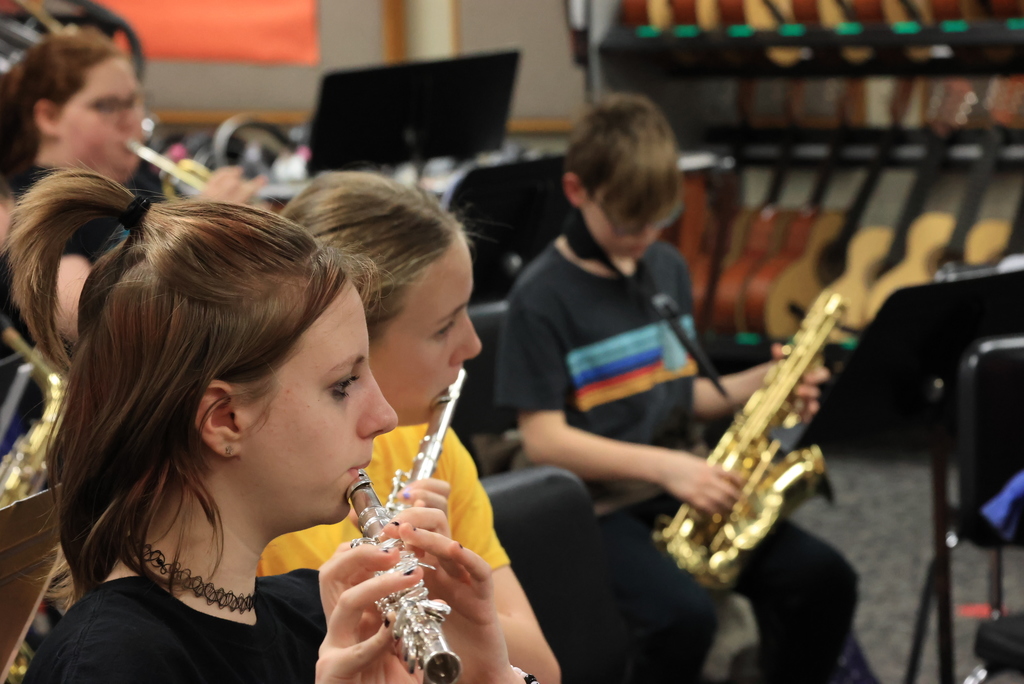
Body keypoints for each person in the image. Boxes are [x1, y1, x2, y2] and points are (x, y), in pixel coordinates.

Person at [10, 168, 527, 684]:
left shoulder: (321, 611)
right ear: (225, 419)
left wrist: (492, 674)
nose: (385, 417)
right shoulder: (110, 665)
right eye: (343, 385)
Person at [494, 93, 858, 684]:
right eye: (625, 221)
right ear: (576, 192)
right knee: (681, 619)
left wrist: (763, 384)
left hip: (679, 481)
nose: (642, 237)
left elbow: (683, 394)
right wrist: (669, 469)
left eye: (656, 221)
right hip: (599, 505)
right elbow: (544, 440)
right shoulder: (541, 297)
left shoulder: (664, 268)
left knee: (824, 577)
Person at [260, 171, 560, 684]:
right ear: (356, 340)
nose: (472, 346)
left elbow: (542, 670)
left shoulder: (428, 447)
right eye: (444, 326)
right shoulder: (267, 482)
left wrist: (436, 592)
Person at [0, 27, 263, 339]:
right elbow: (82, 318)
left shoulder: (141, 178)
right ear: (49, 117)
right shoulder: (31, 201)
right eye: (107, 106)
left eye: (134, 101)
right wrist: (204, 229)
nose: (130, 120)